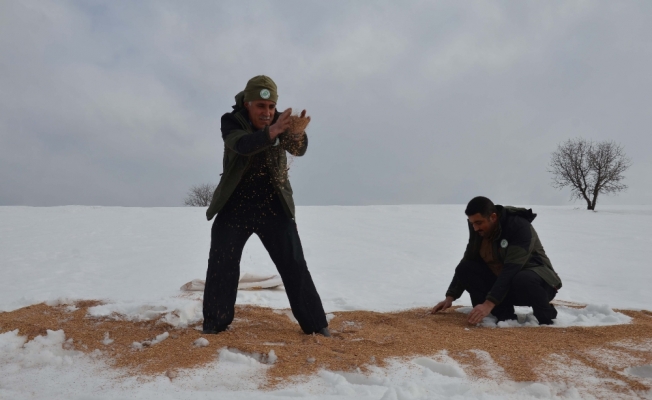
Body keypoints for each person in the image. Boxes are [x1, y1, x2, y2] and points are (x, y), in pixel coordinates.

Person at [202, 75, 330, 337]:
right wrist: (272, 132)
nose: (267, 112)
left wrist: (296, 134)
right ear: (248, 104)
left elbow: (298, 149)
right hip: (234, 204)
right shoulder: (232, 121)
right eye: (261, 107)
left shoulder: (281, 120)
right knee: (221, 263)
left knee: (294, 264)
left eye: (271, 106)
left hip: (274, 205)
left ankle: (317, 326)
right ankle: (215, 324)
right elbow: (240, 144)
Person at [432, 196, 562, 325]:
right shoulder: (478, 231)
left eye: (478, 223)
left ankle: (546, 314)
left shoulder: (518, 226)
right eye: (472, 223)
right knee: (465, 268)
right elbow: (468, 260)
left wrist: (488, 304)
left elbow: (511, 269)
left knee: (523, 278)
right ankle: (505, 316)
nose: (475, 228)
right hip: (506, 284)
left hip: (538, 284)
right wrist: (450, 297)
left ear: (493, 217)